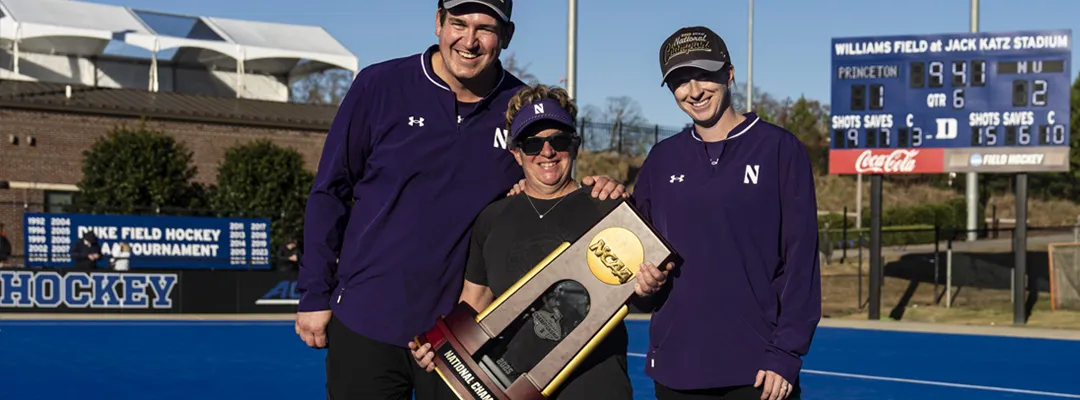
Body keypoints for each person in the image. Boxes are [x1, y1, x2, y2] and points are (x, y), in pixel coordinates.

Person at [293, 1, 625, 399]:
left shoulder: (520, 113)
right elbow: (330, 189)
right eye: (458, 23)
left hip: (458, 340)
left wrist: (603, 190)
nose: (469, 41)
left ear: (506, 35)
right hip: (367, 321)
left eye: (485, 28)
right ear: (437, 22)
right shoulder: (379, 85)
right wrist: (314, 292)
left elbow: (545, 181)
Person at [407, 84, 672, 399]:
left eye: (558, 141)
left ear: (574, 145)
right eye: (533, 144)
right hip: (516, 391)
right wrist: (439, 348)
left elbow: (646, 297)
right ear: (516, 153)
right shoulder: (492, 218)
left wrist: (651, 285)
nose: (547, 152)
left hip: (596, 389)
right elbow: (474, 304)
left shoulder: (609, 208)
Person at [632, 26, 822, 400]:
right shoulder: (661, 158)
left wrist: (786, 352)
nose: (694, 90)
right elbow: (641, 258)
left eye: (704, 74)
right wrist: (642, 288)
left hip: (756, 373)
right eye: (680, 81)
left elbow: (801, 263)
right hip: (676, 369)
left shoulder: (780, 150)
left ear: (729, 73)